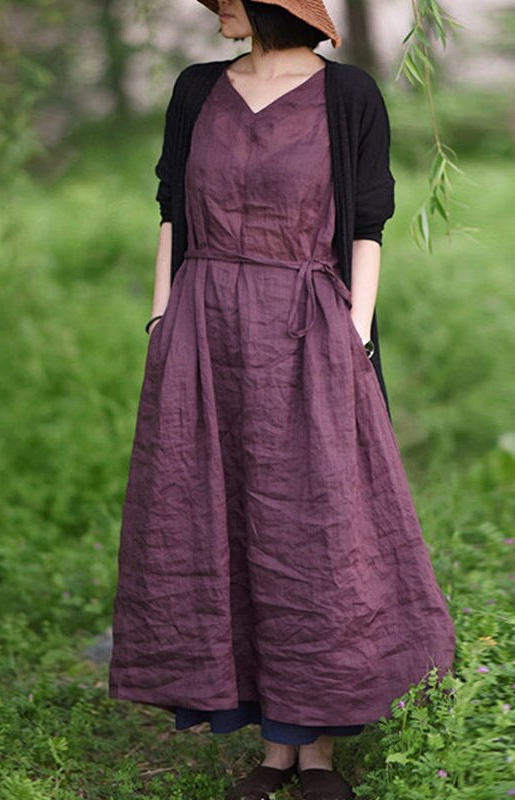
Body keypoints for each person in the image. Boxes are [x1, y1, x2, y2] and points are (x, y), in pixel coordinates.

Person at [109, 2, 457, 798]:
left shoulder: (349, 96)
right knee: (217, 523)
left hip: (307, 325)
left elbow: (367, 221)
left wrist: (355, 334)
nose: (217, 7)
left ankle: (320, 750)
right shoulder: (197, 89)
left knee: (313, 529)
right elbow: (172, 209)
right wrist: (162, 318)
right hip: (203, 325)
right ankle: (273, 746)